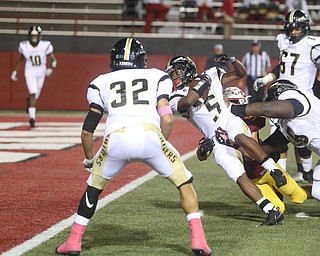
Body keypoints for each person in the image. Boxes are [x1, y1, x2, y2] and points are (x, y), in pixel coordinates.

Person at [55, 38, 212, 256]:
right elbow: (167, 120)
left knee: (93, 188)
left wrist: (90, 159)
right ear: (141, 58)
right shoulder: (157, 76)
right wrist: (161, 146)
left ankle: (73, 242)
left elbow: (86, 132)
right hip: (149, 135)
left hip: (115, 140)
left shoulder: (100, 82)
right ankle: (198, 240)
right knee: (184, 182)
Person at [166, 55, 285, 225]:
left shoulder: (211, 73)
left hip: (227, 119)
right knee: (237, 175)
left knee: (237, 136)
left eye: (176, 72)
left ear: (186, 69)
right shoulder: (177, 95)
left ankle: (273, 170)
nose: (174, 77)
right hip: (215, 138)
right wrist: (203, 82)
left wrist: (233, 60)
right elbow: (188, 102)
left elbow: (240, 73)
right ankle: (270, 210)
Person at [214, 86, 312, 213]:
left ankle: (317, 191)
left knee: (299, 196)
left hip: (266, 170)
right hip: (252, 178)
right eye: (239, 101)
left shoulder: (251, 121)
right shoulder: (220, 126)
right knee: (279, 209)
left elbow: (253, 152)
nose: (243, 104)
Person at [253, 9, 320, 182]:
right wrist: (267, 78)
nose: (293, 32)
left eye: (297, 28)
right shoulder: (283, 41)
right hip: (281, 97)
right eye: (291, 28)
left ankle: (307, 174)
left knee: (302, 138)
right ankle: (283, 175)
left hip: (302, 98)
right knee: (279, 138)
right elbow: (283, 66)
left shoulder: (312, 44)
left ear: (305, 27)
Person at [229, 79, 320, 202]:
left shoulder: (294, 97)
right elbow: (266, 148)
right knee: (317, 191)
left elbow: (266, 109)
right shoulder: (287, 124)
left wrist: (231, 110)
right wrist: (239, 147)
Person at [11, 25, 57, 128]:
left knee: (35, 95)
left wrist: (51, 69)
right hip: (30, 71)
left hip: (41, 73)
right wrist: (15, 71)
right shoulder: (25, 46)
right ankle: (32, 118)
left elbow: (54, 60)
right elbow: (21, 59)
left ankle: (29, 103)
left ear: (40, 36)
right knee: (33, 92)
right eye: (32, 36)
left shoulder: (45, 45)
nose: (34, 38)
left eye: (36, 36)